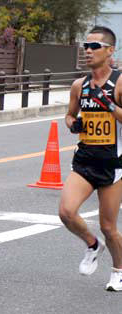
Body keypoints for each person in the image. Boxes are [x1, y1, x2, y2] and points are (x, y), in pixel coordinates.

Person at [58, 26, 122, 291]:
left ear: (110, 51)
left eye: (94, 46)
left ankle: (118, 270)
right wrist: (73, 125)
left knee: (109, 226)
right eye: (86, 46)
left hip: (113, 164)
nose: (88, 51)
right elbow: (69, 115)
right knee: (66, 212)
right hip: (84, 160)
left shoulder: (119, 82)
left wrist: (108, 105)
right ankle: (92, 244)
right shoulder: (79, 85)